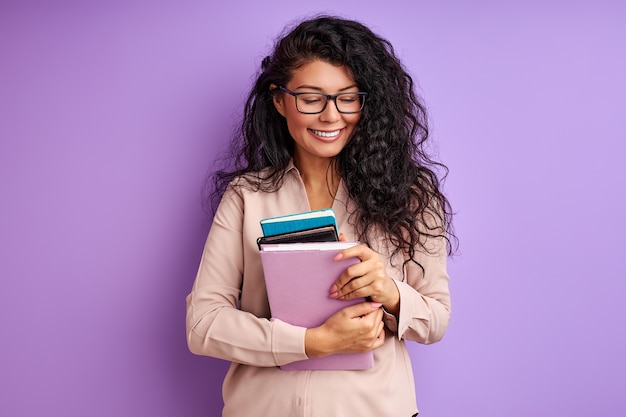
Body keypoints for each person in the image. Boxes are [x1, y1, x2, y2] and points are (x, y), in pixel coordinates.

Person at [186, 15, 455, 417]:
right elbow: (204, 325)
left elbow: (435, 320)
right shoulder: (247, 196)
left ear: (368, 102)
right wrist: (313, 342)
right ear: (279, 100)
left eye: (347, 98)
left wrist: (389, 291)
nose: (331, 116)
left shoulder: (411, 194)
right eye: (311, 98)